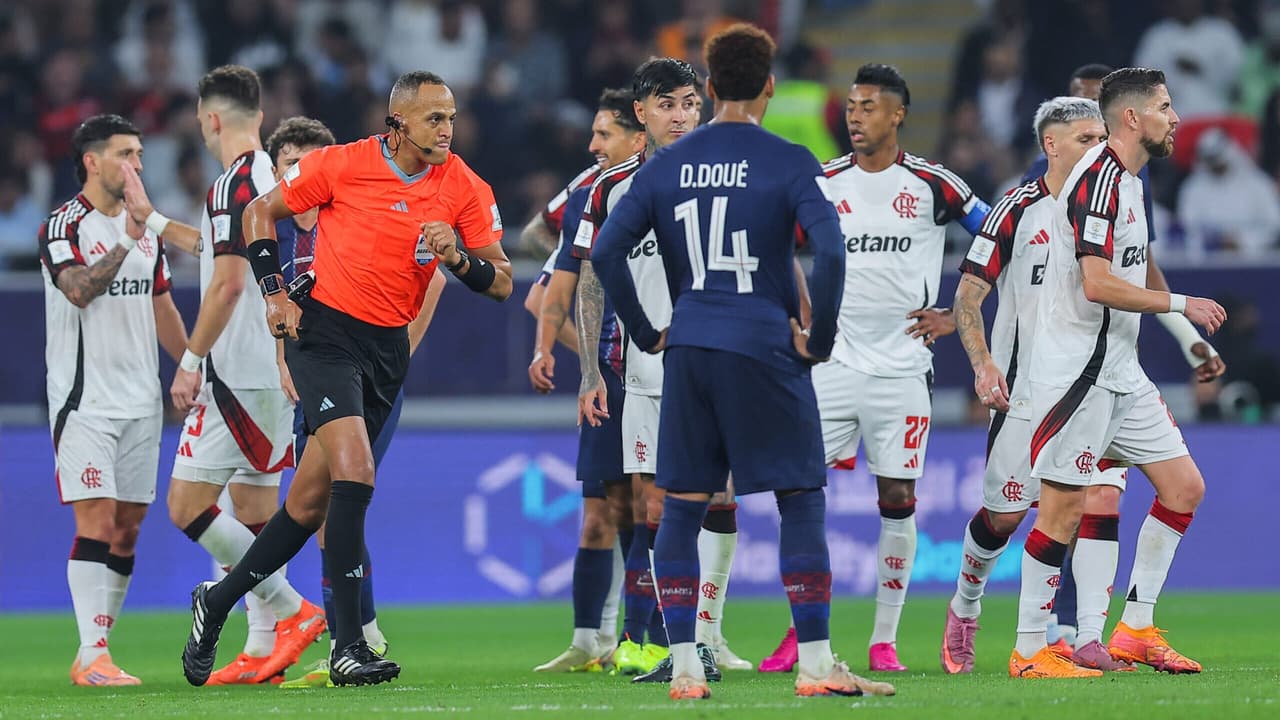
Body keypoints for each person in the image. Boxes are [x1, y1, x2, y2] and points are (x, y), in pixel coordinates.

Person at [590, 23, 894, 701]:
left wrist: (645, 331)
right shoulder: (789, 159)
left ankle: (687, 670)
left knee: (681, 508)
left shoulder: (666, 164)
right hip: (763, 345)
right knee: (800, 500)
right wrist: (819, 339)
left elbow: (607, 252)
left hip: (690, 347)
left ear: (708, 82)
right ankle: (816, 664)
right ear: (768, 85)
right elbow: (833, 253)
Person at [182, 69, 512, 687]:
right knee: (355, 472)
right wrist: (275, 293)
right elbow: (259, 213)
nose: (448, 128)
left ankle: (217, 601)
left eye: (451, 116)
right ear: (398, 124)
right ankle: (350, 644)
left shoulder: (464, 186)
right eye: (434, 117)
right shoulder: (343, 164)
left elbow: (500, 282)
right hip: (324, 335)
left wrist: (459, 258)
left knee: (307, 504)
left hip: (387, 349)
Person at [759, 63, 991, 674]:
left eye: (867, 107)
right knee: (802, 495)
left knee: (898, 495)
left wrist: (957, 310)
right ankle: (800, 632)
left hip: (901, 371)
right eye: (852, 107)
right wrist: (796, 312)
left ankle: (883, 641)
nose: (854, 117)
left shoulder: (934, 184)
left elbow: (1003, 236)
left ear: (897, 114)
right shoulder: (824, 180)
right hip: (828, 365)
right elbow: (774, 246)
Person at [1011, 67, 1226, 678]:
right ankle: (1029, 651)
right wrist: (1181, 305)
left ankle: (1133, 628)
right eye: (1164, 106)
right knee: (1062, 510)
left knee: (1183, 488)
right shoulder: (1099, 182)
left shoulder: (1132, 181)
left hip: (1120, 371)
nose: (1175, 117)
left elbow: (1129, 269)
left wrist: (1179, 336)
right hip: (1076, 371)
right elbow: (1099, 282)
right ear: (1132, 118)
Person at [144, 66, 328, 687]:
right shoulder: (273, 179)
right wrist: (154, 223)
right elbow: (226, 255)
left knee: (187, 505)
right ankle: (262, 650)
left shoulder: (232, 180)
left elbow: (224, 282)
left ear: (212, 119)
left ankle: (292, 608)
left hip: (236, 373)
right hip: (276, 370)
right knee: (252, 514)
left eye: (200, 120)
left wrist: (191, 360)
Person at [573, 58, 749, 681]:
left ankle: (706, 637)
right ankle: (674, 647)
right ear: (641, 113)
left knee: (717, 495)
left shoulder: (729, 178)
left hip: (718, 359)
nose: (682, 115)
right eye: (668, 104)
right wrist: (592, 369)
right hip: (645, 371)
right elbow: (592, 280)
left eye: (690, 103)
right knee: (654, 507)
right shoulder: (611, 189)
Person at [259, 116, 446, 688]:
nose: (301, 170)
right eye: (290, 162)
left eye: (309, 159)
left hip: (366, 378)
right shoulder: (292, 235)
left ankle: (357, 632)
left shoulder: (355, 211)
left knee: (344, 495)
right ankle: (348, 634)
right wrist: (285, 359)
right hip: (316, 377)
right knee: (319, 508)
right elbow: (291, 309)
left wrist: (389, 359)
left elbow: (431, 278)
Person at [941, 97, 1122, 673]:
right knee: (1004, 516)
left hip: (1094, 387)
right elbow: (969, 295)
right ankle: (966, 605)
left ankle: (1065, 636)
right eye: (1087, 138)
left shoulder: (1115, 204)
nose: (1101, 148)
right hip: (1024, 391)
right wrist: (983, 364)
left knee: (1081, 505)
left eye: (1103, 137)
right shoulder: (1016, 209)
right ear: (1051, 144)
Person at [39, 114, 189, 686]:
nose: (138, 166)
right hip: (84, 402)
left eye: (141, 155)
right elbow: (78, 290)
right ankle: (93, 652)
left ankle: (96, 649)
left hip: (141, 400)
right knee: (97, 518)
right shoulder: (63, 224)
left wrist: (195, 363)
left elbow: (161, 306)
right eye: (126, 154)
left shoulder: (146, 228)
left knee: (128, 526)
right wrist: (128, 236)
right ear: (92, 161)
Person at [530, 88, 645, 673]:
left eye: (604, 135)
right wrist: (592, 359)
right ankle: (591, 640)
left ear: (637, 134)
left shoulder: (665, 185)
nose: (592, 145)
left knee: (649, 506)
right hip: (615, 374)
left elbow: (532, 234)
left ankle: (645, 637)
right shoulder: (590, 191)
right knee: (602, 509)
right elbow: (535, 242)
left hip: (667, 372)